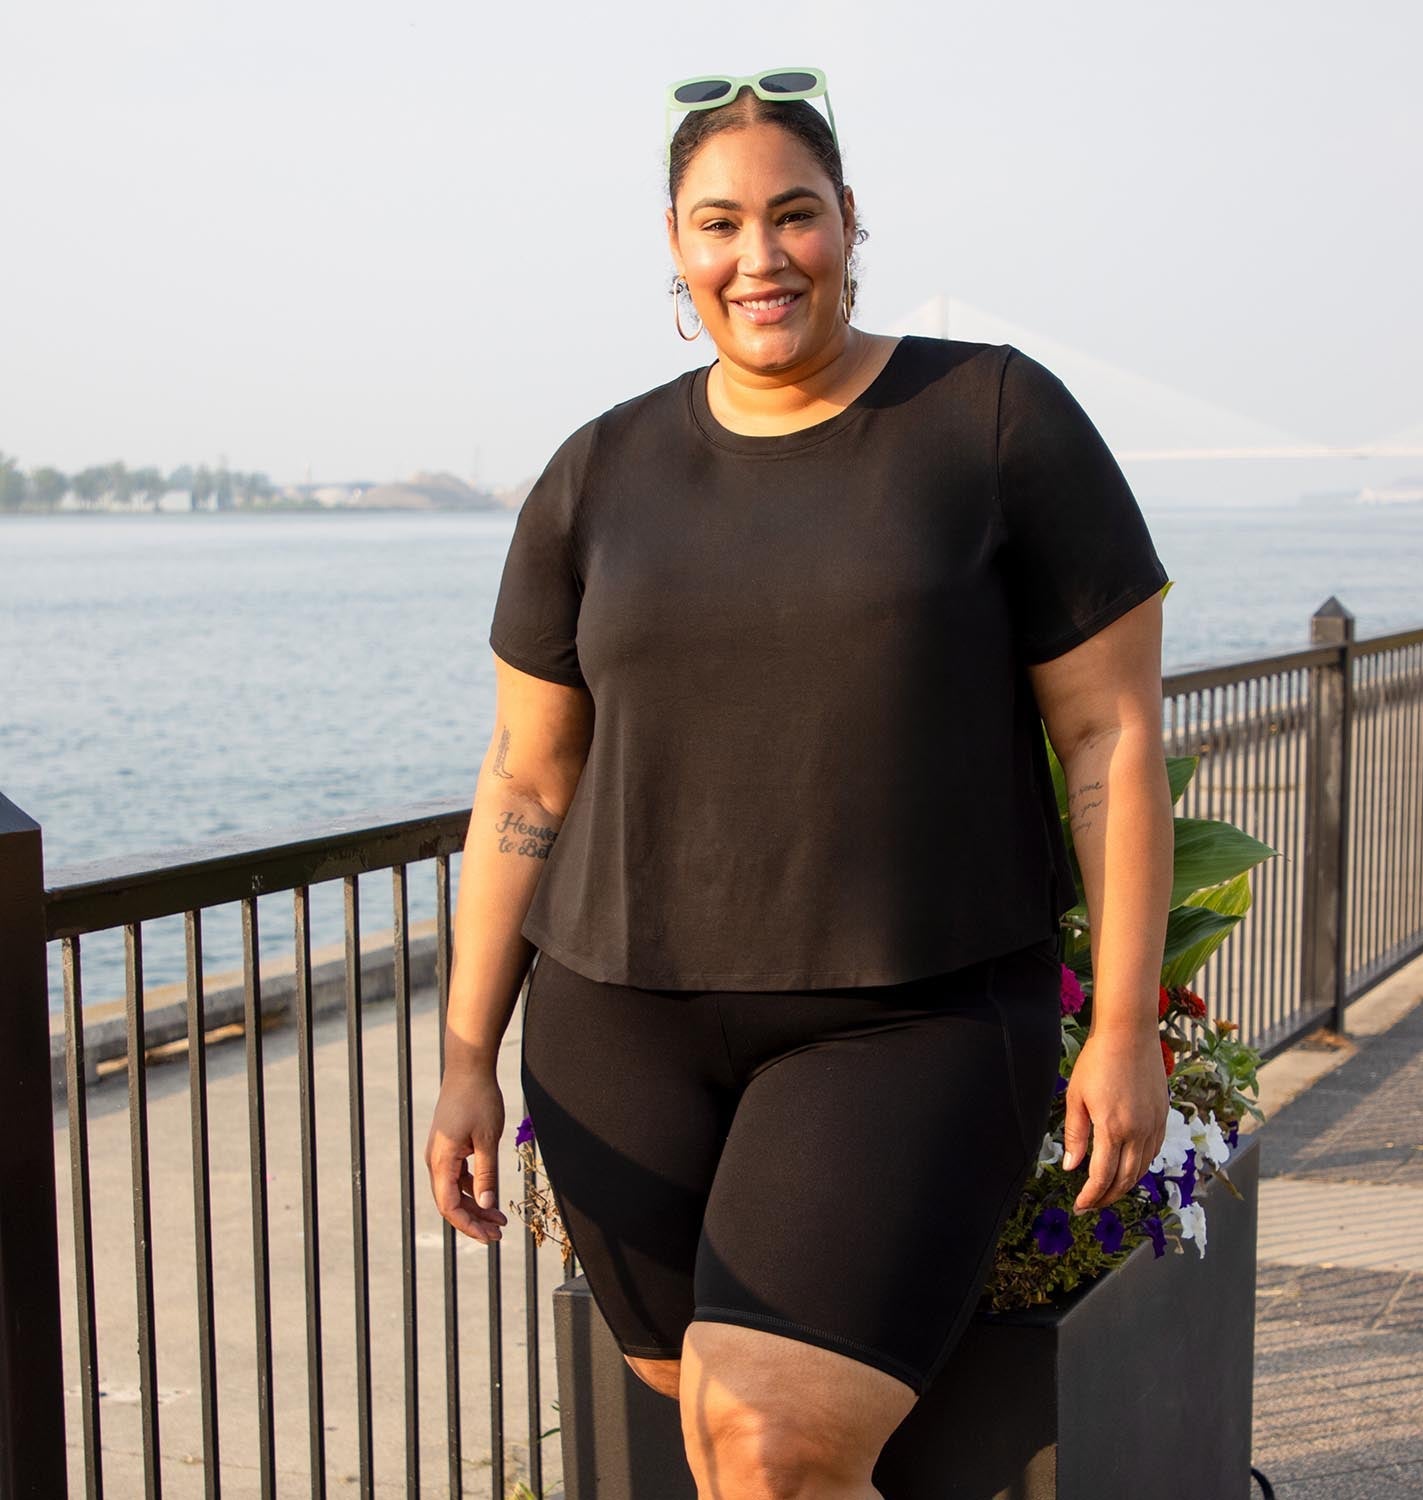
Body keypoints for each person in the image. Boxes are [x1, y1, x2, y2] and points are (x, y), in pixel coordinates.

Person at [425, 67, 1174, 1500]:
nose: (758, 258)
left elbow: (1109, 739)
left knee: (774, 1447)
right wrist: (467, 1055)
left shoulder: (998, 420)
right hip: (617, 1026)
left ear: (850, 224)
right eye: (719, 225)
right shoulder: (597, 474)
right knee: (714, 1432)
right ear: (674, 246)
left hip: (915, 1014)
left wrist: (1125, 1020)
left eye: (794, 216)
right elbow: (528, 773)